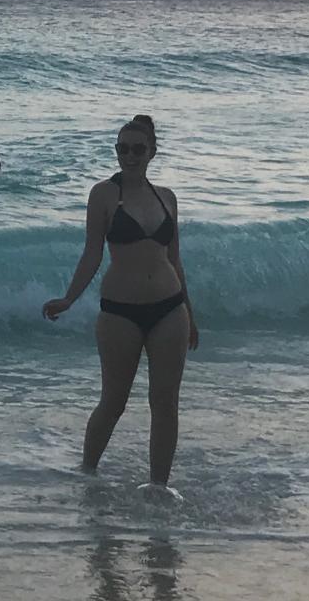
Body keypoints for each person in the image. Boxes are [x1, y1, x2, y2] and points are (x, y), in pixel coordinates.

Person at [42, 115, 198, 489]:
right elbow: (92, 254)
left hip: (169, 308)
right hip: (119, 311)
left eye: (137, 149)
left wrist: (190, 314)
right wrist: (69, 298)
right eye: (122, 148)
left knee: (164, 404)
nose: (129, 155)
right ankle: (88, 475)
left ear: (152, 152)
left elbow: (174, 259)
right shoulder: (103, 195)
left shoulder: (168, 198)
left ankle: (159, 487)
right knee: (113, 400)